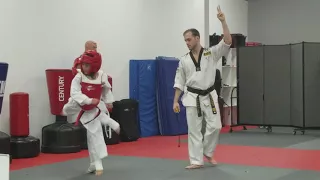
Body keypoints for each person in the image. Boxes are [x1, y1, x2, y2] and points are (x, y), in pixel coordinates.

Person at [173, 6, 232, 170]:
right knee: (194, 130)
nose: (186, 43)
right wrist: (175, 101)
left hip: (210, 95)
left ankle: (208, 151)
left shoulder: (210, 53)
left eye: (189, 39)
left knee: (216, 126)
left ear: (197, 38)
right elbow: (179, 81)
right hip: (192, 97)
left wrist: (223, 21)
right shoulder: (183, 60)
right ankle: (196, 160)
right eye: (185, 40)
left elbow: (227, 41)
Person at [62, 50, 120, 176]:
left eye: (87, 65)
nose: (83, 68)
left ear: (95, 66)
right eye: (83, 64)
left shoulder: (101, 75)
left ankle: (96, 163)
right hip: (79, 105)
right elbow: (75, 93)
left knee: (94, 133)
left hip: (94, 107)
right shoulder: (79, 77)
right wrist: (88, 100)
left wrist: (109, 101)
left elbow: (106, 89)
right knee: (67, 109)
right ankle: (111, 123)